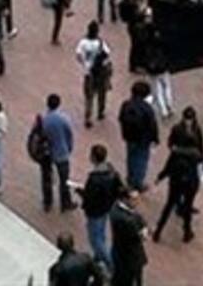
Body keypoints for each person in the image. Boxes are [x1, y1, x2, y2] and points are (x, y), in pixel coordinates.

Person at [76, 144, 123, 273]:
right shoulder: (112, 171)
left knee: (95, 239)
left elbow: (89, 197)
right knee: (101, 234)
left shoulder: (94, 178)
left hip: (95, 211)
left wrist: (80, 192)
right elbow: (119, 188)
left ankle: (110, 264)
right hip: (106, 207)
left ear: (93, 158)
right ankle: (99, 257)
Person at [152, 142, 202, 244]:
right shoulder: (196, 154)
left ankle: (158, 231)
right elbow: (199, 167)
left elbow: (168, 167)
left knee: (168, 206)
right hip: (190, 184)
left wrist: (160, 177)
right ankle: (187, 232)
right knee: (188, 207)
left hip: (175, 183)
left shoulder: (175, 152)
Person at [118, 81, 160, 191]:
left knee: (130, 158)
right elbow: (152, 125)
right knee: (141, 160)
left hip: (129, 137)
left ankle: (130, 179)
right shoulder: (147, 108)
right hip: (143, 139)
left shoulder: (126, 104)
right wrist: (155, 138)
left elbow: (120, 118)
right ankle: (137, 183)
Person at [42, 94, 77, 212]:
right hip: (62, 152)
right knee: (64, 179)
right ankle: (65, 203)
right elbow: (69, 135)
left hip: (47, 153)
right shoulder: (63, 118)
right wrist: (69, 148)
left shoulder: (44, 119)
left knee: (47, 178)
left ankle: (48, 202)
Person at [76, 21, 112, 128]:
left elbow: (78, 55)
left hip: (89, 73)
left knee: (89, 96)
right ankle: (100, 112)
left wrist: (85, 63)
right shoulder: (100, 42)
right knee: (102, 93)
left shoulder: (83, 43)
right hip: (101, 72)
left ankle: (88, 117)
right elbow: (107, 55)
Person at [110, 188, 149, 286]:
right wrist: (144, 232)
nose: (137, 201)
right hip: (130, 257)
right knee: (130, 279)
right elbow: (139, 236)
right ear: (125, 199)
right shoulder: (127, 221)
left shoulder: (116, 207)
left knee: (119, 276)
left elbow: (139, 217)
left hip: (119, 252)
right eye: (134, 199)